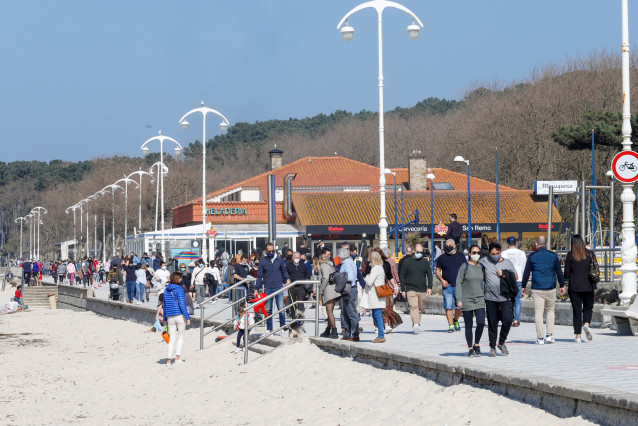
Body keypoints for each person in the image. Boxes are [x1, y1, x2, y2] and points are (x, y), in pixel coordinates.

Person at [521, 236, 565, 345]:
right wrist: (562, 285)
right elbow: (559, 272)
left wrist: (523, 286)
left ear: (536, 244)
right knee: (550, 311)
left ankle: (540, 338)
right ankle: (549, 335)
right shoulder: (553, 256)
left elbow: (526, 273)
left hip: (537, 288)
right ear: (546, 244)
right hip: (551, 286)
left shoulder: (532, 256)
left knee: (538, 312)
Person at [480, 242, 518, 357]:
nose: (495, 255)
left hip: (505, 298)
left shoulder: (507, 262)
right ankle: (492, 346)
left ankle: (501, 342)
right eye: (493, 254)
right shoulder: (484, 261)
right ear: (489, 253)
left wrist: (504, 274)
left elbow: (515, 277)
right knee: (492, 323)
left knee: (507, 320)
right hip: (490, 298)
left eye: (497, 253)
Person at [564, 234, 595, 342]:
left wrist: (565, 285)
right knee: (588, 307)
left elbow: (566, 273)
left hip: (574, 287)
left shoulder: (570, 255)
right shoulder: (590, 254)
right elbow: (595, 269)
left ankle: (578, 336)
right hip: (588, 285)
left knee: (577, 311)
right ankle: (586, 324)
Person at [456, 245, 486, 357]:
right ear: (469, 253)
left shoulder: (481, 267)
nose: (476, 255)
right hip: (466, 299)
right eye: (474, 252)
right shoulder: (464, 267)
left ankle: (476, 344)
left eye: (478, 252)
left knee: (481, 322)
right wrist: (459, 299)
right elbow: (458, 283)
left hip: (479, 299)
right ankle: (470, 348)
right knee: (468, 324)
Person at [254, 243, 291, 334]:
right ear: (266, 251)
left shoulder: (279, 260)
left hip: (278, 287)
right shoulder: (263, 261)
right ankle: (269, 328)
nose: (271, 252)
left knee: (281, 308)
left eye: (272, 251)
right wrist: (256, 288)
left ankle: (282, 328)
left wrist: (287, 279)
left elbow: (284, 271)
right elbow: (259, 276)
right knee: (269, 309)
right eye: (269, 251)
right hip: (268, 287)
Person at [399, 243, 433, 334]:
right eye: (418, 252)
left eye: (421, 252)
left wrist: (429, 287)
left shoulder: (425, 262)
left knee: (419, 309)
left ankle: (416, 324)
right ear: (413, 251)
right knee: (413, 307)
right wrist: (403, 289)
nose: (420, 254)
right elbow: (402, 276)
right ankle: (416, 325)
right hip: (410, 289)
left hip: (422, 289)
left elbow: (430, 275)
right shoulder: (407, 262)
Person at [435, 239, 466, 333]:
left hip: (459, 286)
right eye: (446, 245)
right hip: (447, 286)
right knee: (448, 306)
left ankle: (456, 320)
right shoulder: (442, 257)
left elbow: (466, 268)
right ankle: (451, 325)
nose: (448, 246)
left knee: (459, 307)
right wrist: (442, 280)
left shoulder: (461, 256)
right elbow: (437, 271)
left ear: (454, 246)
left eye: (450, 245)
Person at [163, 272, 191, 366]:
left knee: (172, 338)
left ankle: (169, 360)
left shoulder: (166, 290)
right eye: (180, 278)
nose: (181, 280)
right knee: (181, 337)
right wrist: (187, 317)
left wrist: (165, 318)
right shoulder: (179, 289)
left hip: (170, 316)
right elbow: (182, 304)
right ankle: (177, 358)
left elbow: (165, 305)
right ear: (177, 279)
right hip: (179, 315)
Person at [361, 251, 388, 343]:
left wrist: (366, 277)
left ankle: (381, 336)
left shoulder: (376, 269)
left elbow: (369, 282)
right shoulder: (380, 268)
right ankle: (380, 335)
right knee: (376, 315)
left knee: (377, 315)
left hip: (376, 296)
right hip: (377, 295)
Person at [501, 236, 528, 327]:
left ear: (508, 244)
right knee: (517, 300)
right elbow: (524, 267)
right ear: (516, 243)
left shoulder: (504, 253)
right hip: (519, 278)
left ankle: (508, 318)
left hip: (507, 279)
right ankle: (516, 320)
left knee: (507, 300)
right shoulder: (522, 253)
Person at [337, 247, 360, 341]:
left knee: (350, 312)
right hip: (350, 289)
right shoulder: (351, 262)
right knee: (346, 312)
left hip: (349, 289)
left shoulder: (346, 264)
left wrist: (340, 278)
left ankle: (354, 334)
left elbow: (350, 277)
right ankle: (347, 333)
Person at [317, 248, 340, 338]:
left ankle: (334, 332)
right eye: (326, 254)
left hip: (329, 290)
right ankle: (328, 330)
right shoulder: (330, 264)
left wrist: (321, 290)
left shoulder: (324, 265)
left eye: (328, 254)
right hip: (333, 290)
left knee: (329, 312)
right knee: (330, 312)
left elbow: (325, 278)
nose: (327, 256)